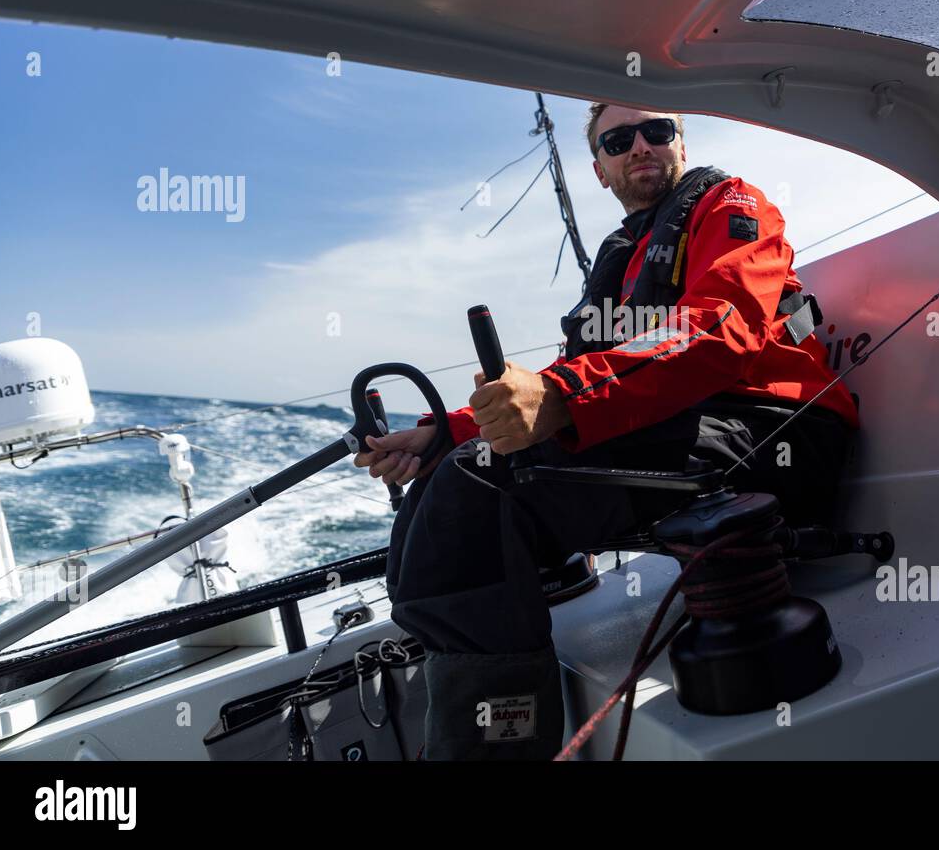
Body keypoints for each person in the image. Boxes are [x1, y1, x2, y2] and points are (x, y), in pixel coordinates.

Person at [353, 103, 860, 760]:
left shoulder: (734, 205)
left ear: (681, 141)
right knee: (449, 483)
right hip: (676, 425)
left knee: (478, 492)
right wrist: (443, 433)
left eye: (657, 131)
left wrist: (562, 395)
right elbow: (574, 373)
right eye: (619, 139)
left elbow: (719, 327)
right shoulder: (623, 258)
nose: (640, 146)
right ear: (599, 169)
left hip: (775, 429)